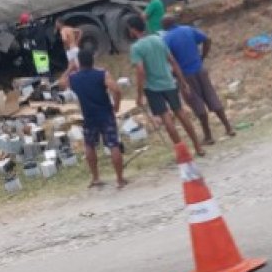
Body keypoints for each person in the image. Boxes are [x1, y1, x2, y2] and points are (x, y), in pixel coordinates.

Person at [127, 14, 205, 157]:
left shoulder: (136, 48)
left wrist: (139, 94)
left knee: (166, 118)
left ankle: (182, 152)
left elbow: (140, 70)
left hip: (152, 87)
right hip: (169, 81)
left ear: (132, 30)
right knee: (180, 113)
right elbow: (172, 61)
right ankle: (198, 146)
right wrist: (182, 81)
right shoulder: (159, 39)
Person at [60, 49, 127, 189]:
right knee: (113, 144)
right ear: (92, 60)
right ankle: (120, 179)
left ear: (80, 62)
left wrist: (70, 68)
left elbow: (61, 83)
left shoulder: (74, 78)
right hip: (105, 114)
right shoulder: (102, 74)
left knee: (89, 146)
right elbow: (117, 90)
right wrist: (117, 105)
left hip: (88, 116)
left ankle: (96, 178)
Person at [162, 16, 235, 144]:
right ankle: (228, 127)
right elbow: (207, 39)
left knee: (197, 104)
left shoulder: (167, 39)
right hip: (200, 69)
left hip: (185, 75)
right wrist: (202, 56)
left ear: (164, 26)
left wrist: (174, 74)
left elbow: (169, 59)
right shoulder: (188, 29)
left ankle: (208, 136)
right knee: (212, 97)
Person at [18, 12, 51, 76]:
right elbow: (29, 36)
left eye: (26, 22)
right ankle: (43, 81)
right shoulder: (32, 25)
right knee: (40, 69)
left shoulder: (38, 25)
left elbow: (38, 38)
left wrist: (29, 43)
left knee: (44, 69)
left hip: (41, 51)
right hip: (36, 52)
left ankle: (47, 81)